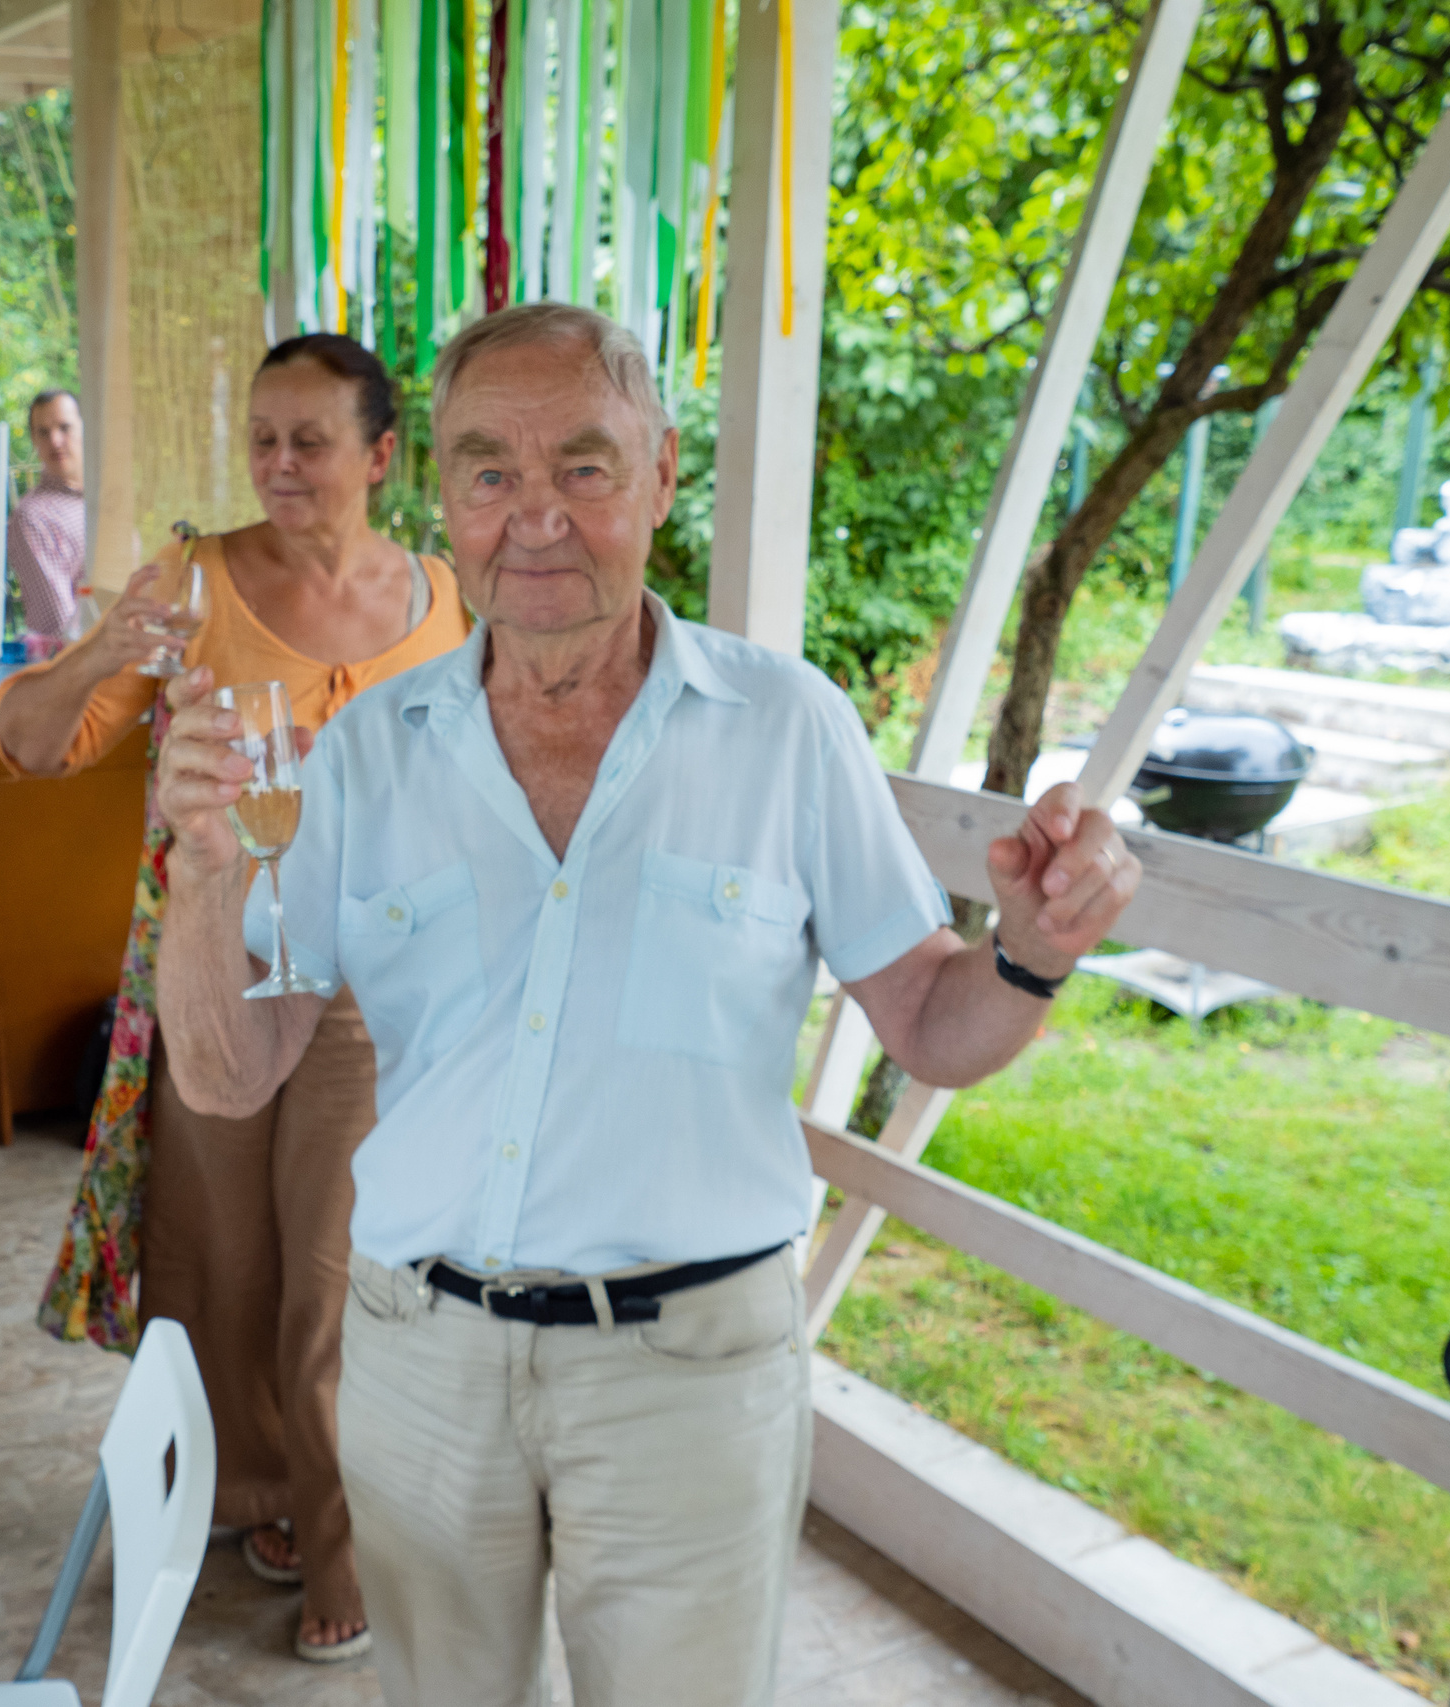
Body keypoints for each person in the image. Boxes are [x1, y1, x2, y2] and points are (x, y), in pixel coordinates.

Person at [150, 303, 1141, 1707]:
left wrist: (1032, 951)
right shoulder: (368, 749)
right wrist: (199, 870)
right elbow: (231, 1069)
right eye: (490, 472)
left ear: (664, 475)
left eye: (586, 467)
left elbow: (931, 1017)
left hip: (691, 1372)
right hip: (423, 1365)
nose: (535, 516)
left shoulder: (785, 726)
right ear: (441, 492)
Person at [0, 333, 472, 1664]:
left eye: (309, 440)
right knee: (219, 1257)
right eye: (261, 436)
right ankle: (251, 1490)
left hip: (366, 987)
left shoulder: (443, 597)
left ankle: (339, 1543)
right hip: (213, 963)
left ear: (382, 456)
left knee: (332, 1271)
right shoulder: (194, 580)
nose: (277, 463)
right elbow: (31, 741)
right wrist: (105, 653)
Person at [8, 389, 92, 659]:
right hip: (77, 670)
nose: (55, 441)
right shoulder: (32, 518)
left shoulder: (110, 503)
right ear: (33, 440)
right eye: (43, 432)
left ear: (85, 427)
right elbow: (61, 628)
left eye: (64, 428)